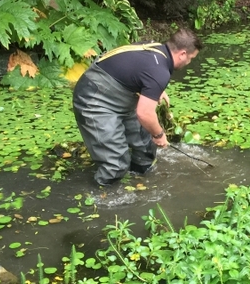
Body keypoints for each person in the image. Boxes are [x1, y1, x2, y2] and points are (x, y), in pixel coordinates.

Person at [72, 27, 202, 186]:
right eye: (191, 58)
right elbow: (144, 113)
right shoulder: (159, 71)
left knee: (145, 148)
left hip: (120, 94)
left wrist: (155, 90)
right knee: (116, 164)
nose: (189, 62)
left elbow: (138, 69)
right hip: (94, 98)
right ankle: (104, 198)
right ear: (182, 54)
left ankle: (141, 181)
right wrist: (159, 135)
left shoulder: (155, 49)